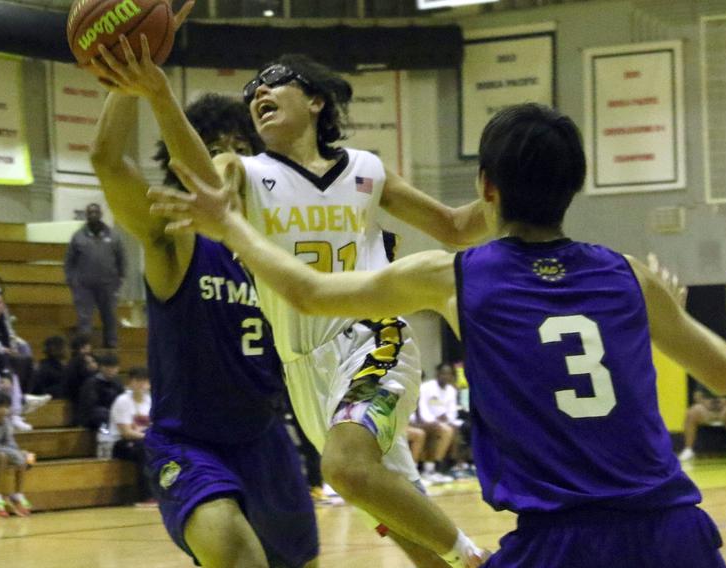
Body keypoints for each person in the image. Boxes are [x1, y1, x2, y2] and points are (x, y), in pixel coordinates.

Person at [154, 102, 726, 568]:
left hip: (560, 543)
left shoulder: (454, 275)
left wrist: (228, 226)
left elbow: (308, 293)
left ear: (486, 187)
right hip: (675, 531)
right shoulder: (630, 276)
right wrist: (669, 309)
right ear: (575, 185)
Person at [97, 40, 486, 567]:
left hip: (371, 339)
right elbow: (208, 180)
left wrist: (520, 189)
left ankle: (478, 559)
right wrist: (160, 94)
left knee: (346, 470)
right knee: (404, 518)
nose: (260, 91)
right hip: (304, 372)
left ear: (317, 101)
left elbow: (455, 227)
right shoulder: (246, 171)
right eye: (252, 89)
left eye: (274, 80)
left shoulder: (366, 169)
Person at [87, 23, 320, 566]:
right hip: (190, 443)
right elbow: (105, 158)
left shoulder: (276, 247)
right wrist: (131, 79)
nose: (228, 163)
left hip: (266, 439)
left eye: (241, 150)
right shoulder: (172, 234)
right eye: (214, 149)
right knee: (236, 554)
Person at [63, 203, 126, 349]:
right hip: (84, 287)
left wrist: (120, 279)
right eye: (90, 213)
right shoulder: (78, 236)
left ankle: (111, 345)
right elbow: (69, 261)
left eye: (96, 212)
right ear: (86, 215)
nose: (93, 215)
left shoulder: (114, 236)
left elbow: (121, 260)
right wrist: (72, 281)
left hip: (108, 285)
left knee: (109, 316)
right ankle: (85, 347)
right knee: (84, 319)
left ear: (100, 214)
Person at [0, 392, 36, 517]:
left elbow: (11, 442)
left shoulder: (6, 421)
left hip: (0, 450)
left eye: (6, 407)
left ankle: (17, 494)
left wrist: (20, 454)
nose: (4, 410)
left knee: (23, 455)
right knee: (2, 456)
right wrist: (15, 454)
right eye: (1, 407)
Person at [107, 367, 154, 504]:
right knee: (145, 450)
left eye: (145, 381)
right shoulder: (123, 401)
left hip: (142, 440)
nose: (141, 384)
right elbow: (126, 433)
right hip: (121, 443)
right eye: (137, 381)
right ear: (130, 382)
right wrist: (149, 437)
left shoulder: (149, 400)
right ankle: (147, 496)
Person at [415, 364, 464, 484]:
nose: (445, 376)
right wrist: (434, 420)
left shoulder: (451, 390)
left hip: (443, 422)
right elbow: (422, 408)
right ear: (437, 374)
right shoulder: (426, 387)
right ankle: (429, 469)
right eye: (443, 373)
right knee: (444, 430)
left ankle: (433, 468)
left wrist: (447, 417)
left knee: (453, 429)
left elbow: (452, 411)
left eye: (448, 374)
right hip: (424, 421)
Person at [679, 380, 726, 462]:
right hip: (708, 410)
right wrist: (705, 402)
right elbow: (697, 396)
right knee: (692, 412)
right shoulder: (704, 376)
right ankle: (688, 450)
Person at [76, 352, 124, 430]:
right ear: (101, 367)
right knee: (101, 413)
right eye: (107, 367)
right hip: (93, 417)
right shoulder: (91, 383)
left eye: (113, 367)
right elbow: (91, 407)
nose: (110, 370)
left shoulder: (117, 383)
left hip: (112, 414)